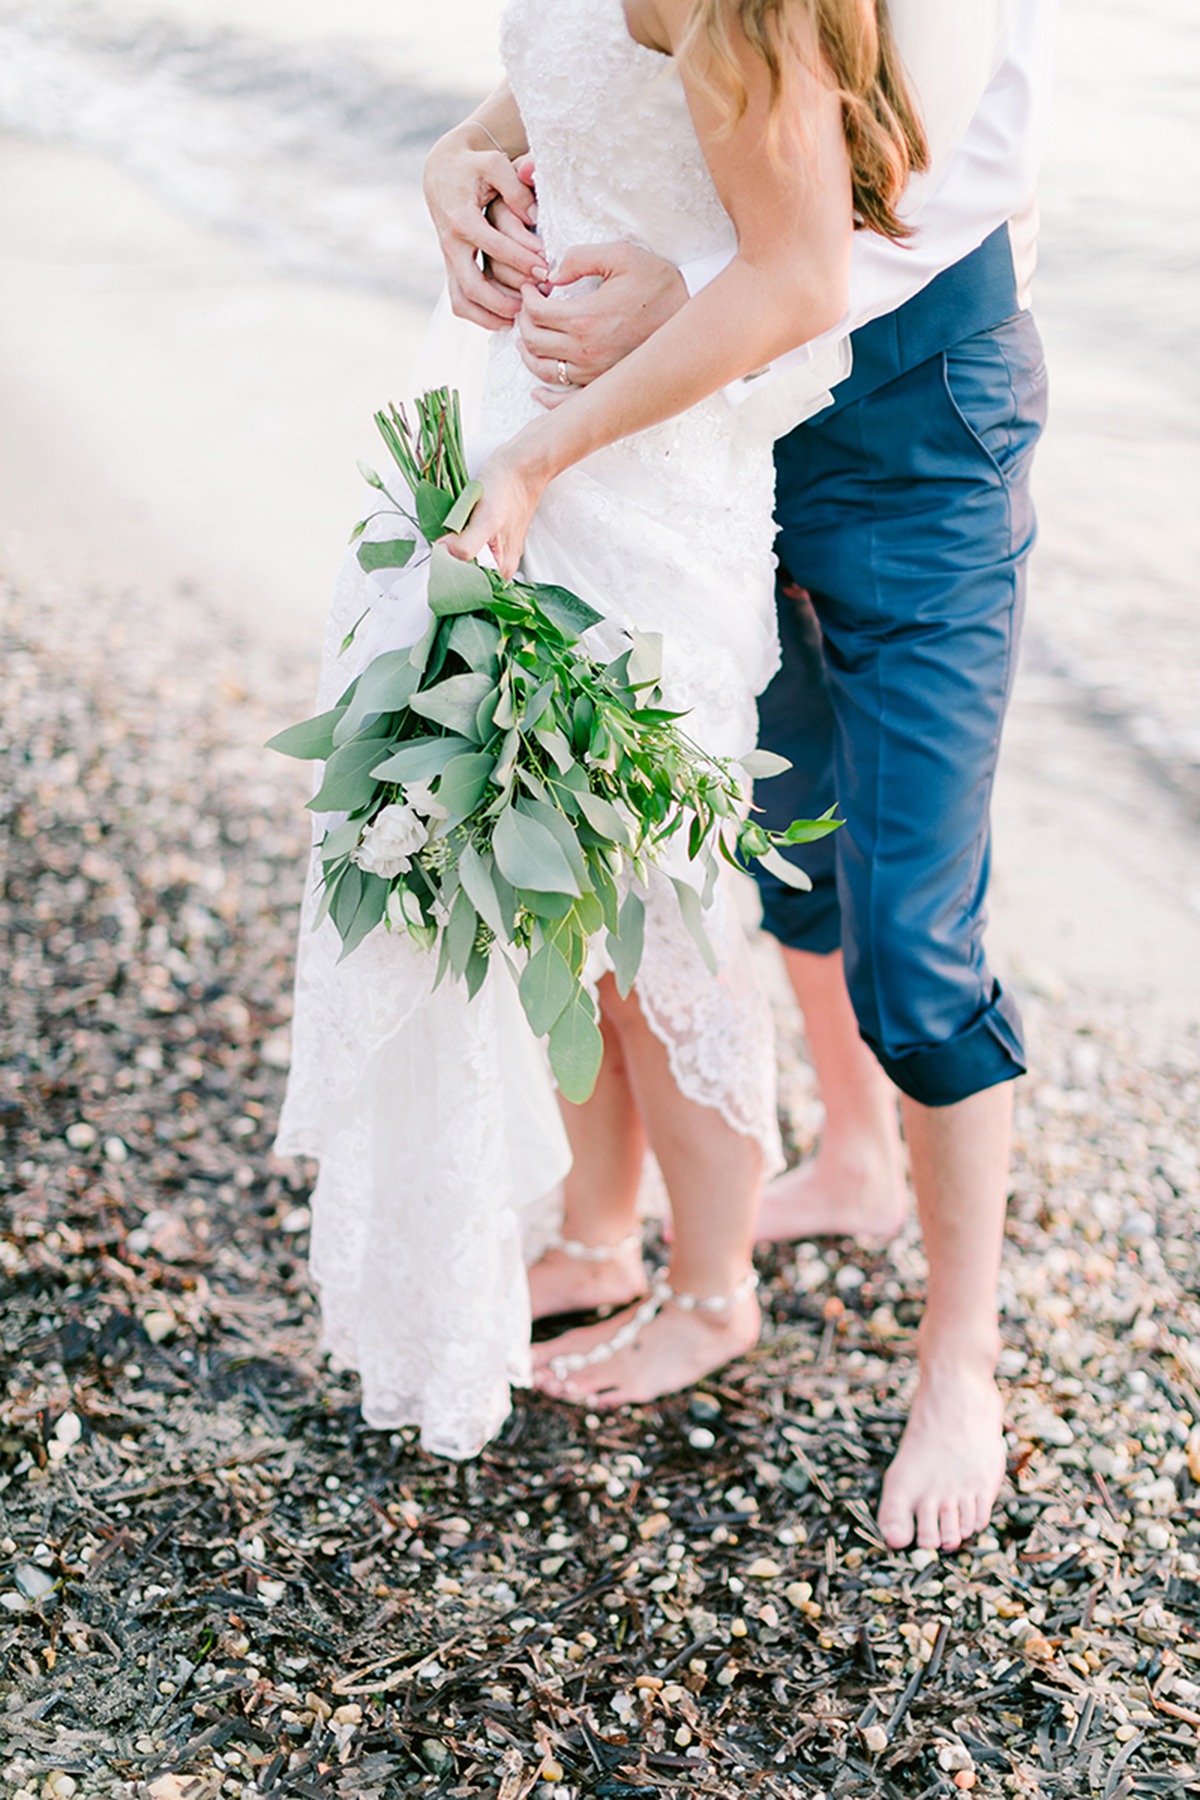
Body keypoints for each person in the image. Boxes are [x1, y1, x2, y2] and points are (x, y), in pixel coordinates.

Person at [424, 0, 1056, 1548]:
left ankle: (960, 1363)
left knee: (918, 939)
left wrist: (679, 295)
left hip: (914, 419)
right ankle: (852, 1162)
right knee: (776, 832)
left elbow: (875, 203)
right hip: (714, 429)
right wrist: (455, 159)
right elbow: (603, 79)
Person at [277, 0, 922, 1462]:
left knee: (654, 899)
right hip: (528, 418)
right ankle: (596, 1237)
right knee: (540, 881)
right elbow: (531, 112)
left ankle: (712, 1284)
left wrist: (539, 459)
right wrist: (452, 173)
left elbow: (801, 273)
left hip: (637, 466)